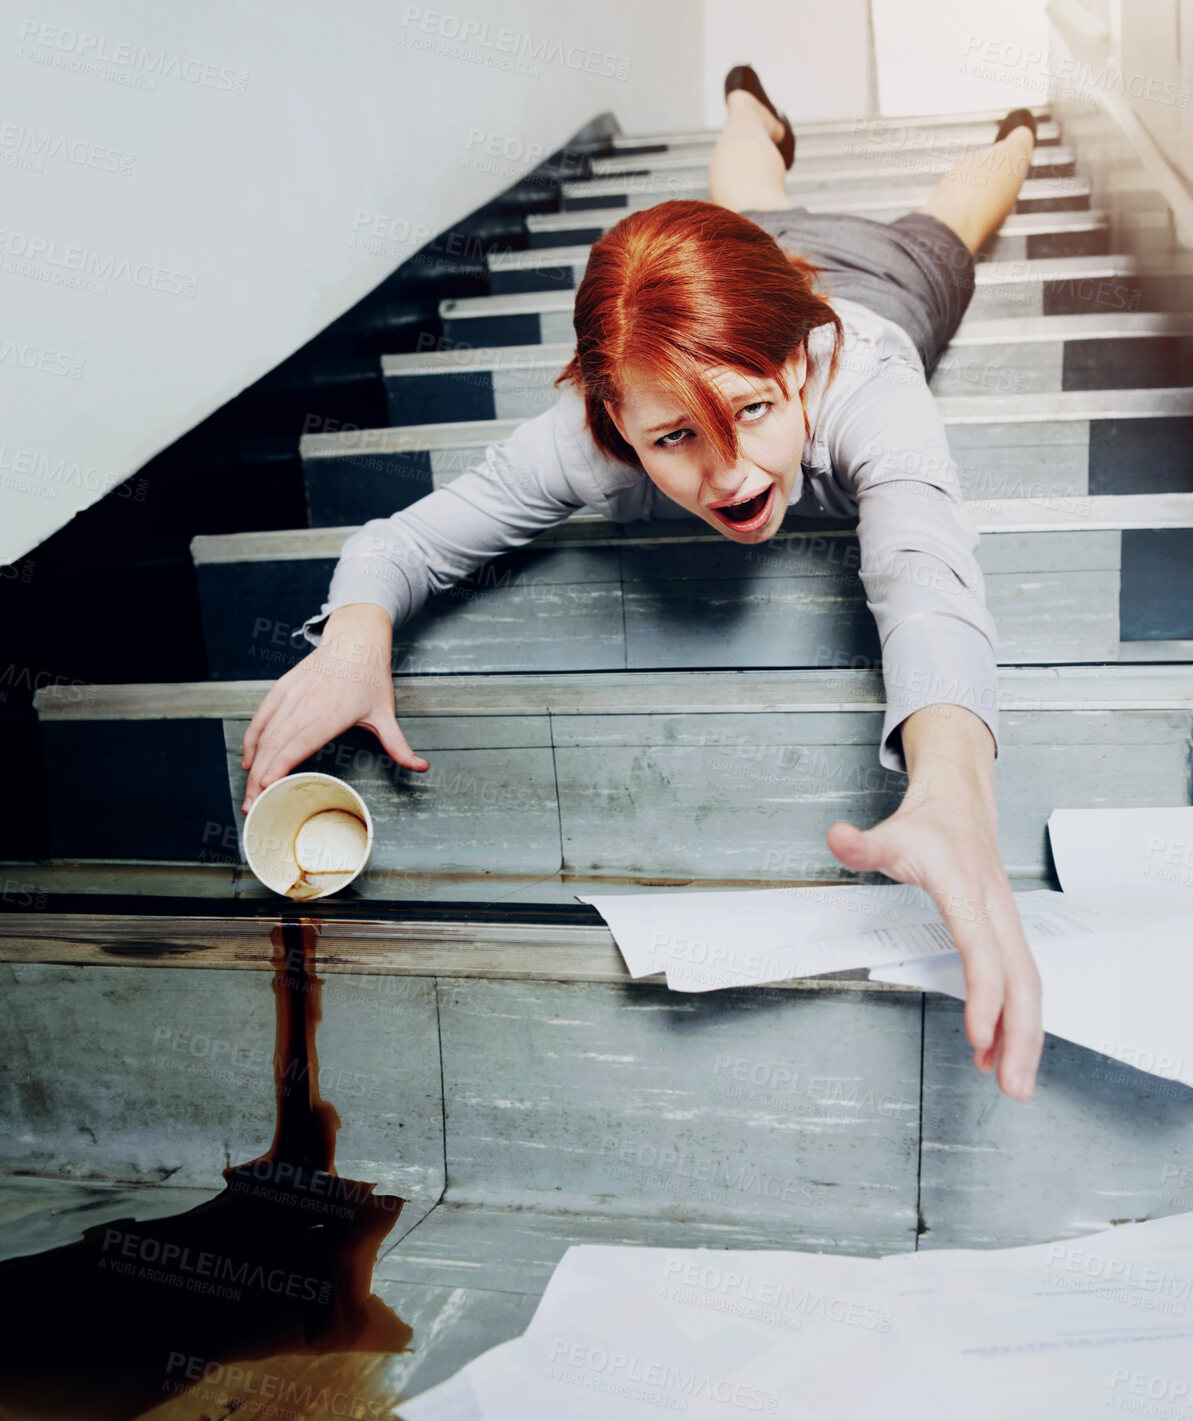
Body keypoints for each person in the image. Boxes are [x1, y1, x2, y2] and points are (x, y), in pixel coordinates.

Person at [241, 68, 1045, 1101]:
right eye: (672, 438)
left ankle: (1019, 127)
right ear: (616, 422)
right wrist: (355, 635)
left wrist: (952, 792)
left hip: (885, 277)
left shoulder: (864, 381)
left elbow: (921, 568)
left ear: (797, 368)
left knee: (950, 221)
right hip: (738, 263)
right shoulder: (592, 438)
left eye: (752, 412)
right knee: (746, 197)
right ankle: (750, 104)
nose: (730, 475)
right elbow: (400, 544)